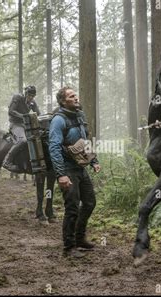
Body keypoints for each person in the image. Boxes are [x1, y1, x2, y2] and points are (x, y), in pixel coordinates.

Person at [48, 87, 101, 258]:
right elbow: (54, 147)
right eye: (71, 96)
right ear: (63, 101)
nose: (76, 98)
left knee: (90, 202)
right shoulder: (58, 120)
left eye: (76, 94)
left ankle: (80, 239)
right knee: (72, 208)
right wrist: (61, 174)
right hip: (67, 169)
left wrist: (93, 161)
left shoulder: (79, 116)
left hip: (80, 167)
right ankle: (68, 247)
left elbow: (84, 141)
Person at [3, 86, 41, 172]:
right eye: (29, 95)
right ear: (26, 93)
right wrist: (23, 116)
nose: (31, 97)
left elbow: (38, 114)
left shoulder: (32, 102)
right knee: (23, 140)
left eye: (33, 96)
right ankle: (7, 161)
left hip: (26, 126)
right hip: (15, 124)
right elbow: (11, 111)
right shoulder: (17, 97)